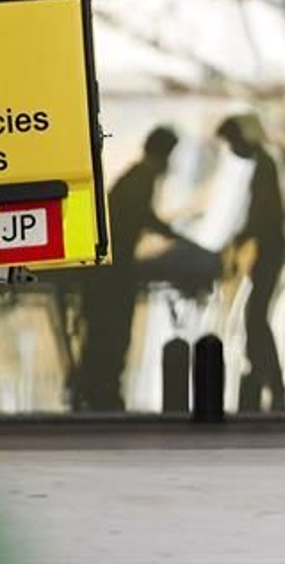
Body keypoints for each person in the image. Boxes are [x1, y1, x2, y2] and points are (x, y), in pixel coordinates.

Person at [71, 126, 181, 411]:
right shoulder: (142, 178)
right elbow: (135, 218)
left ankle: (94, 387)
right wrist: (170, 233)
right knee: (111, 330)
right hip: (113, 272)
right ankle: (101, 389)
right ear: (164, 153)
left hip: (108, 269)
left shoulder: (135, 176)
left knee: (101, 331)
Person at [217, 113, 285, 413]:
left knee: (256, 316)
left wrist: (241, 240)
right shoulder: (264, 164)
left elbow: (263, 213)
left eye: (233, 141)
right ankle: (264, 378)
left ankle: (272, 384)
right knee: (255, 316)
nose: (232, 149)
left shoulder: (264, 165)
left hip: (269, 248)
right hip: (268, 246)